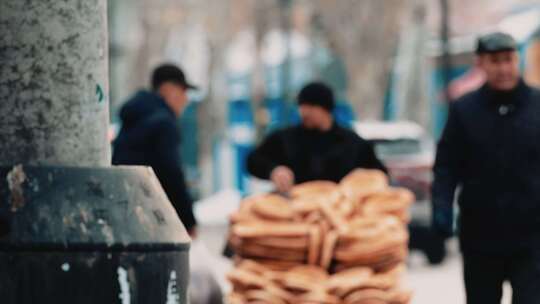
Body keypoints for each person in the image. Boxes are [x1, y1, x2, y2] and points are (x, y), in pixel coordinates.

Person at [432, 32, 540, 304]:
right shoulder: (465, 111)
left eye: (509, 59)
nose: (503, 68)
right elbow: (446, 166)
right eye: (495, 61)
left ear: (518, 60)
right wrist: (442, 209)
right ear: (481, 63)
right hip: (481, 236)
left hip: (532, 237)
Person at [247, 81, 387, 193]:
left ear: (326, 109)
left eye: (311, 106)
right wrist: (273, 170)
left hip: (342, 217)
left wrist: (360, 183)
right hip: (294, 216)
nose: (304, 112)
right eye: (302, 106)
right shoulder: (285, 139)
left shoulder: (352, 143)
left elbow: (379, 175)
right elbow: (253, 160)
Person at [112, 64, 197, 236]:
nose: (186, 100)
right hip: (152, 216)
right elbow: (172, 174)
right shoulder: (163, 123)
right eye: (183, 92)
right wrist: (188, 221)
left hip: (124, 209)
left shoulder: (135, 119)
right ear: (167, 89)